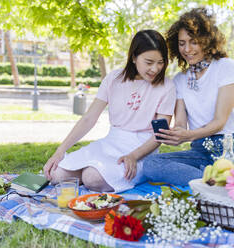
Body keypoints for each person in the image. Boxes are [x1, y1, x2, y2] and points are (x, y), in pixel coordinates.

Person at [143, 8, 234, 186]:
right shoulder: (179, 80)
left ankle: (209, 179)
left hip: (232, 147)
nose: (187, 49)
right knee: (152, 164)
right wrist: (177, 134)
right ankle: (220, 180)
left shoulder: (226, 67)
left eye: (193, 42)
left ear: (207, 41)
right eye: (182, 43)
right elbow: (180, 123)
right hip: (200, 150)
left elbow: (219, 122)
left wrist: (187, 135)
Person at [43, 30, 176, 193]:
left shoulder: (166, 86)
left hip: (141, 149)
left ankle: (92, 176)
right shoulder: (114, 79)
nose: (155, 69)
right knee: (56, 174)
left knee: (92, 178)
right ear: (134, 57)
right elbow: (89, 119)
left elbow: (159, 135)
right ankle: (89, 174)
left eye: (160, 62)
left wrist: (134, 156)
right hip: (111, 142)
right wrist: (60, 151)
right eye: (149, 62)